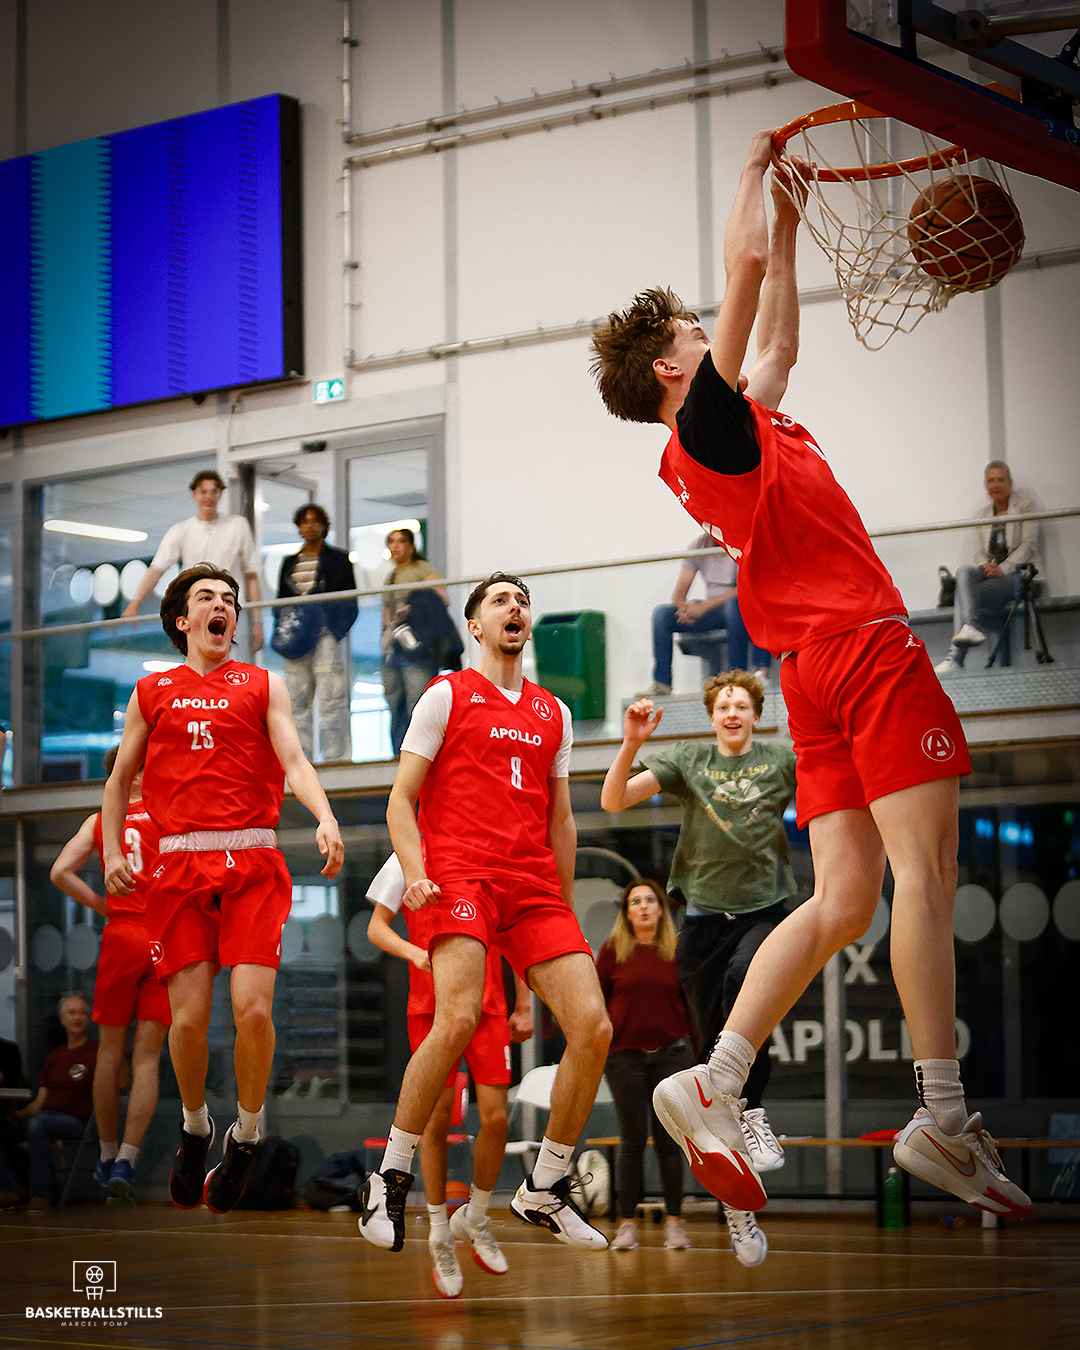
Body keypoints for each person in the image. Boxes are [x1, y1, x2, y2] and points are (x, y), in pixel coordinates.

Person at [588, 129, 1032, 1221]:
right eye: (696, 334)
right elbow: (739, 273)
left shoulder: (739, 430)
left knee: (841, 901)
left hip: (810, 674)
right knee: (926, 873)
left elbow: (778, 337)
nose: (713, 332)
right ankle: (941, 1117)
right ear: (672, 369)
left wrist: (789, 225)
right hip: (864, 650)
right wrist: (753, 170)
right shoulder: (707, 426)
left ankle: (716, 1077)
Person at [359, 572, 612, 1254]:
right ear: (474, 626)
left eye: (522, 600)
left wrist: (560, 904)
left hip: (532, 884)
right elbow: (400, 800)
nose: (515, 607)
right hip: (461, 871)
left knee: (593, 1027)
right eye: (501, 600)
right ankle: (388, 1179)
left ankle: (545, 1185)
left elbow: (562, 819)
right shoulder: (446, 694)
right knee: (458, 1018)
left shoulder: (554, 712)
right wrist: (416, 873)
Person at [102, 562, 344, 1214]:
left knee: (253, 1010)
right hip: (179, 865)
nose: (223, 606)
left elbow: (294, 760)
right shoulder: (152, 690)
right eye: (207, 598)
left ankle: (247, 1133)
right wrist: (111, 850)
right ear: (183, 620)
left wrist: (324, 815)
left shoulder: (263, 684)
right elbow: (119, 780)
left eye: (230, 600)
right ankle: (195, 1127)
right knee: (186, 1020)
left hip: (252, 859)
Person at [602, 671, 796, 1266]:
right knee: (714, 1062)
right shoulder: (689, 759)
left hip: (764, 910)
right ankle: (737, 1209)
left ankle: (755, 1113)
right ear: (712, 716)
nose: (732, 713)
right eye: (723, 705)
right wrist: (631, 742)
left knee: (746, 981)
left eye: (742, 705)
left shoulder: (781, 759)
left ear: (757, 714)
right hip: (704, 920)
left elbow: (835, 788)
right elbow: (614, 800)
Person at [366, 853, 534, 1298]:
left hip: (489, 1005)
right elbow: (376, 928)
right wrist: (414, 953)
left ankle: (475, 1216)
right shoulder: (406, 856)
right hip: (430, 1006)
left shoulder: (485, 850)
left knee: (496, 1118)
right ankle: (439, 1231)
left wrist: (523, 1003)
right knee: (436, 1121)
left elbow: (514, 934)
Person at [49, 744, 171, 1207]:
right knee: (147, 1059)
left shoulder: (101, 821)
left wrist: (105, 907)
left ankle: (104, 1154)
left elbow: (61, 872)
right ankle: (127, 1159)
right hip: (163, 935)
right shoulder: (167, 814)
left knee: (109, 1053)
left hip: (121, 935)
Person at [594, 879, 696, 1253]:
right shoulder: (612, 951)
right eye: (635, 901)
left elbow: (691, 1006)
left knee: (669, 1142)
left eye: (650, 900)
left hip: (672, 1055)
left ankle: (675, 1223)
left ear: (661, 909)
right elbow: (596, 1003)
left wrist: (701, 1058)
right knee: (632, 1141)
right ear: (626, 912)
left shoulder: (677, 951)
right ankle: (626, 1226)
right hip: (625, 1058)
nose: (643, 906)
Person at [121, 469, 265, 658]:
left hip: (231, 609)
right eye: (203, 491)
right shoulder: (181, 530)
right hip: (198, 610)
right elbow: (156, 569)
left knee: (233, 663)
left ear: (220, 494)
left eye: (214, 491)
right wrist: (135, 604)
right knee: (198, 661)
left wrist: (258, 621)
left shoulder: (238, 525)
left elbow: (251, 575)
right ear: (194, 494)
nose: (209, 497)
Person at [935, 461, 1041, 675]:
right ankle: (970, 628)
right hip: (993, 579)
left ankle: (955, 657)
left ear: (1010, 483)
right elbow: (979, 552)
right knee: (964, 571)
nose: (996, 485)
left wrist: (1003, 569)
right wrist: (987, 567)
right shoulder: (981, 515)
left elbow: (1028, 546)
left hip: (1022, 578)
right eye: (991, 480)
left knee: (962, 595)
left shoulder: (1025, 506)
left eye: (1001, 479)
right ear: (985, 485)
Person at [275, 503, 358, 761]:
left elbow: (350, 601)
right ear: (298, 527)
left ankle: (336, 759)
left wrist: (334, 631)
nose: (310, 526)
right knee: (296, 701)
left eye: (314, 521)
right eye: (304, 522)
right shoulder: (289, 562)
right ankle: (301, 758)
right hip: (297, 639)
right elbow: (280, 603)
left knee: (333, 699)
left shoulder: (339, 560)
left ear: (323, 525)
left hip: (325, 637)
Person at [642, 533, 771, 697]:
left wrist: (706, 605)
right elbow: (679, 593)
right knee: (662, 615)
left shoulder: (741, 542)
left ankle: (737, 676)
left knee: (733, 605)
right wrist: (685, 610)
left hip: (740, 610)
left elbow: (747, 588)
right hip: (713, 613)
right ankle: (662, 683)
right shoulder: (699, 546)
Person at [5, 993, 97, 1212]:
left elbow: (118, 1084)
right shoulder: (54, 1056)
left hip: (76, 1123)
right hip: (43, 1118)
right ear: (62, 1019)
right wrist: (19, 1114)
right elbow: (40, 1100)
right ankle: (10, 1189)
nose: (77, 1017)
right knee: (5, 1127)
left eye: (82, 1012)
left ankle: (40, 1194)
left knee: (38, 1125)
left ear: (88, 1018)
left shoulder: (98, 1052)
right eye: (71, 1012)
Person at [381, 528, 449, 755]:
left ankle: (422, 754)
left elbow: (442, 598)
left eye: (401, 541)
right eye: (391, 541)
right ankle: (398, 754)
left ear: (411, 546)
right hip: (396, 644)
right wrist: (386, 635)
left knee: (417, 700)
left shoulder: (423, 569)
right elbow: (386, 610)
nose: (395, 546)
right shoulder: (390, 577)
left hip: (417, 644)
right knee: (395, 701)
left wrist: (413, 608)